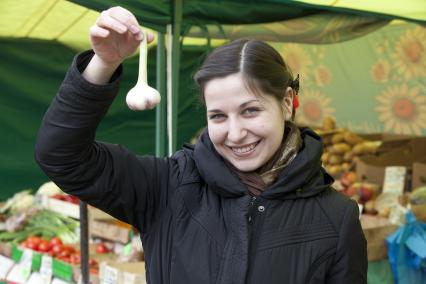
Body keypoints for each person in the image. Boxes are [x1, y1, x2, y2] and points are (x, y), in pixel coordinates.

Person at [35, 6, 367, 284]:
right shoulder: (168, 186)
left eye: (250, 111)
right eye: (219, 116)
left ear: (286, 102)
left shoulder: (336, 218)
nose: (236, 133)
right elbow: (61, 155)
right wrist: (103, 63)